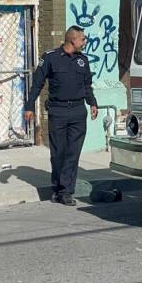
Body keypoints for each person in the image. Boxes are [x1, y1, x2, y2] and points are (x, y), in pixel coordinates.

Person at [24, 26, 98, 206]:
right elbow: (37, 84)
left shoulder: (83, 60)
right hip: (58, 111)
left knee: (73, 153)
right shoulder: (50, 58)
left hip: (78, 111)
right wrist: (29, 106)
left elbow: (87, 84)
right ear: (73, 40)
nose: (85, 42)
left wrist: (93, 102)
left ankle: (66, 191)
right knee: (58, 153)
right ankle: (57, 186)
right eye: (83, 39)